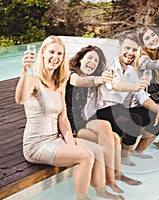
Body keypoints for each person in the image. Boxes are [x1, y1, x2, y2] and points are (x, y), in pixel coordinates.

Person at [15, 36, 119, 200]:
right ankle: (82, 197)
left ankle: (100, 190)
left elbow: (63, 117)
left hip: (56, 138)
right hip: (36, 144)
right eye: (51, 52)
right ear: (42, 53)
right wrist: (24, 71)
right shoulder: (34, 80)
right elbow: (20, 99)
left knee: (97, 150)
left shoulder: (58, 83)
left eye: (60, 54)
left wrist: (70, 141)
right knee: (86, 156)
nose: (55, 57)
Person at [66, 45, 142, 194]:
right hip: (70, 128)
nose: (92, 62)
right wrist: (98, 79)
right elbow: (79, 82)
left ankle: (116, 174)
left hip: (83, 123)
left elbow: (115, 84)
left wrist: (135, 86)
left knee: (112, 134)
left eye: (96, 60)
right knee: (107, 131)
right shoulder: (71, 75)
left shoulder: (97, 77)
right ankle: (110, 182)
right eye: (89, 58)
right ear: (80, 59)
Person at [91, 32, 159, 166]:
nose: (130, 52)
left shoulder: (131, 71)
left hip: (118, 111)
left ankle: (137, 151)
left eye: (134, 49)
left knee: (154, 115)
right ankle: (124, 157)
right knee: (131, 117)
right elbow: (116, 84)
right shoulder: (108, 66)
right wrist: (135, 86)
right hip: (99, 114)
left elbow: (142, 96)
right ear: (119, 47)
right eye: (127, 48)